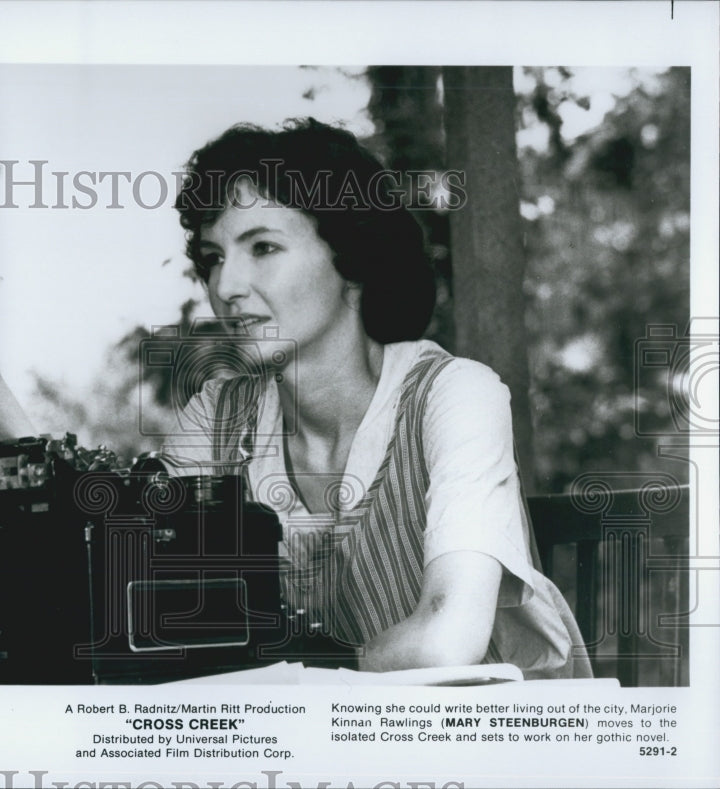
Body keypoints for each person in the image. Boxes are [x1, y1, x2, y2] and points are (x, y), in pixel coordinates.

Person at [161, 117, 591, 679]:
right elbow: (152, 611)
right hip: (318, 749)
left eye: (262, 247)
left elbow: (446, 638)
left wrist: (286, 678)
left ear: (352, 259)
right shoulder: (216, 418)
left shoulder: (455, 394)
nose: (226, 287)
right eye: (214, 257)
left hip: (488, 742)